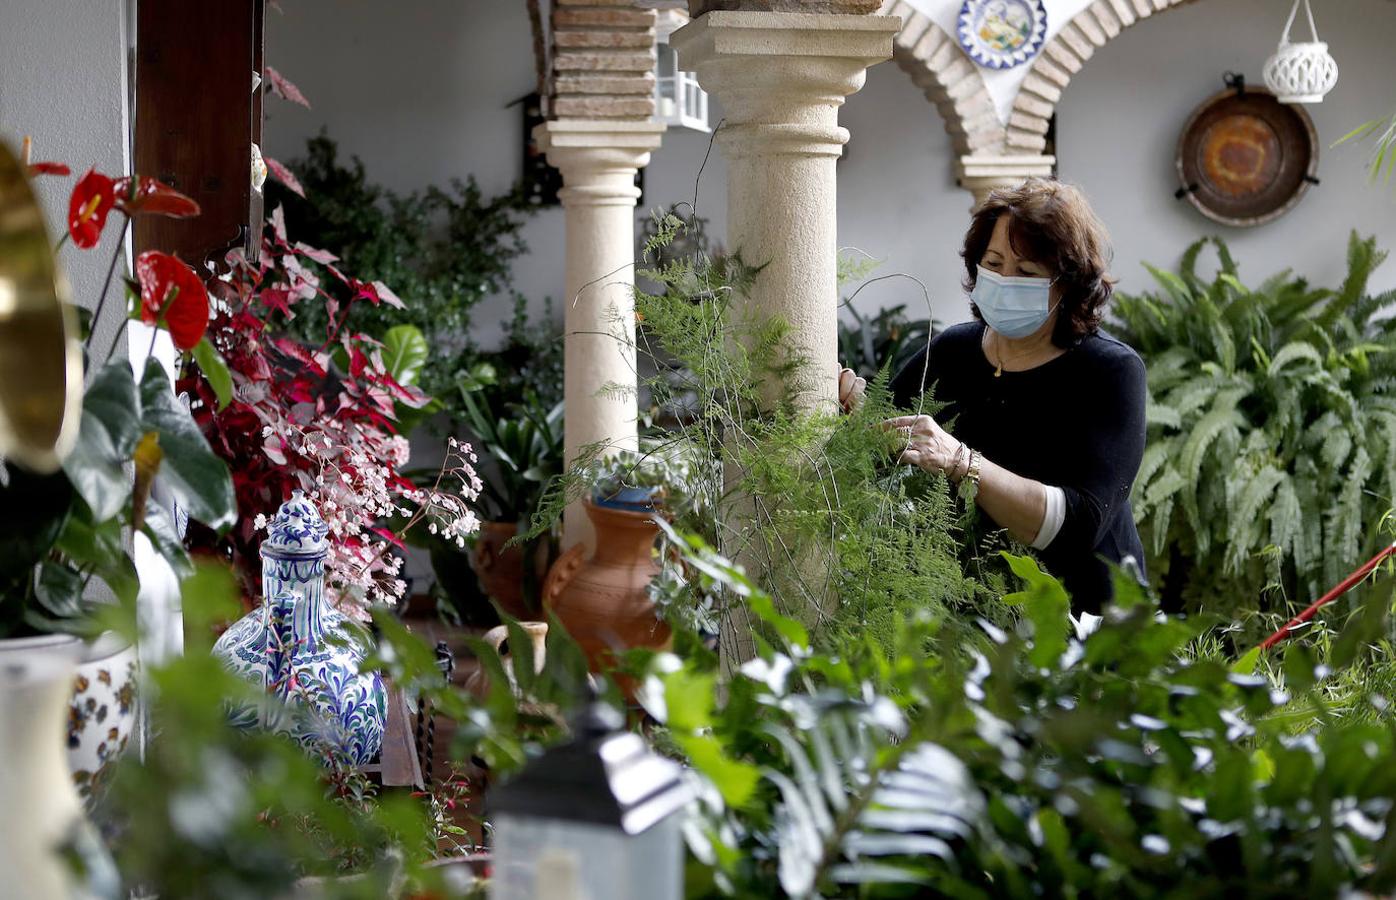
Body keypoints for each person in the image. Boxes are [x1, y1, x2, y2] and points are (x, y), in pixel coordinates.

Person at [838, 177, 1147, 612]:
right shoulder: (953, 351)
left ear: (1067, 284)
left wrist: (962, 462)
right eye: (994, 263)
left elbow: (1079, 525)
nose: (1004, 280)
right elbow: (881, 438)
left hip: (1083, 623)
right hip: (972, 614)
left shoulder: (1110, 371)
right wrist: (852, 406)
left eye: (1026, 273)